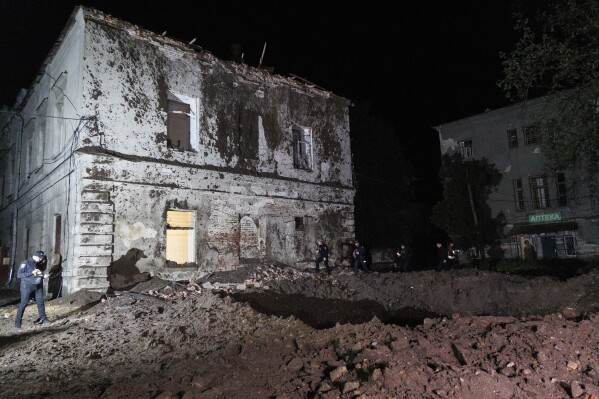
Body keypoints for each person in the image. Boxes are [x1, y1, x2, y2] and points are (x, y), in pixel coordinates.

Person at [15, 250, 50, 330]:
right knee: (23, 304)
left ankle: (43, 319)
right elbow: (19, 275)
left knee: (40, 302)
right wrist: (31, 272)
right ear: (35, 256)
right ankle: (17, 324)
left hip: (37, 286)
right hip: (26, 286)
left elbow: (39, 273)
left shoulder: (39, 264)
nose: (41, 260)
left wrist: (43, 276)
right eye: (40, 258)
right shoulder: (25, 263)